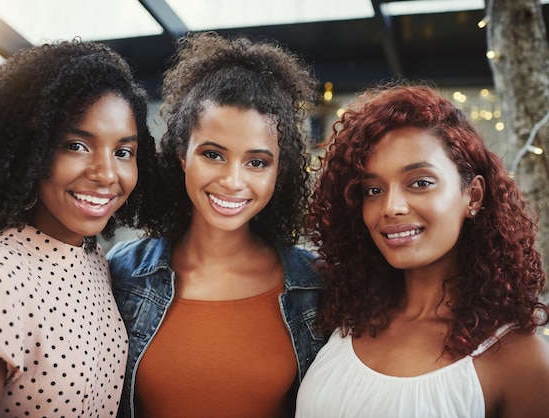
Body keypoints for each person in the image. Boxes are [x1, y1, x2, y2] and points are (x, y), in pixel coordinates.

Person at [0, 39, 157, 417]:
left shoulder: (94, 259)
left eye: (123, 152)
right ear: (28, 151)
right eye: (76, 145)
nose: (106, 173)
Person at [295, 82, 549, 417]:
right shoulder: (336, 316)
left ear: (472, 196)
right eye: (373, 189)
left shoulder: (520, 360)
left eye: (420, 183)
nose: (391, 207)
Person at [107, 31, 324, 418]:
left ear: (279, 170)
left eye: (257, 162)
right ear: (181, 155)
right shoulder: (122, 272)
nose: (233, 181)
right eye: (213, 154)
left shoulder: (315, 283)